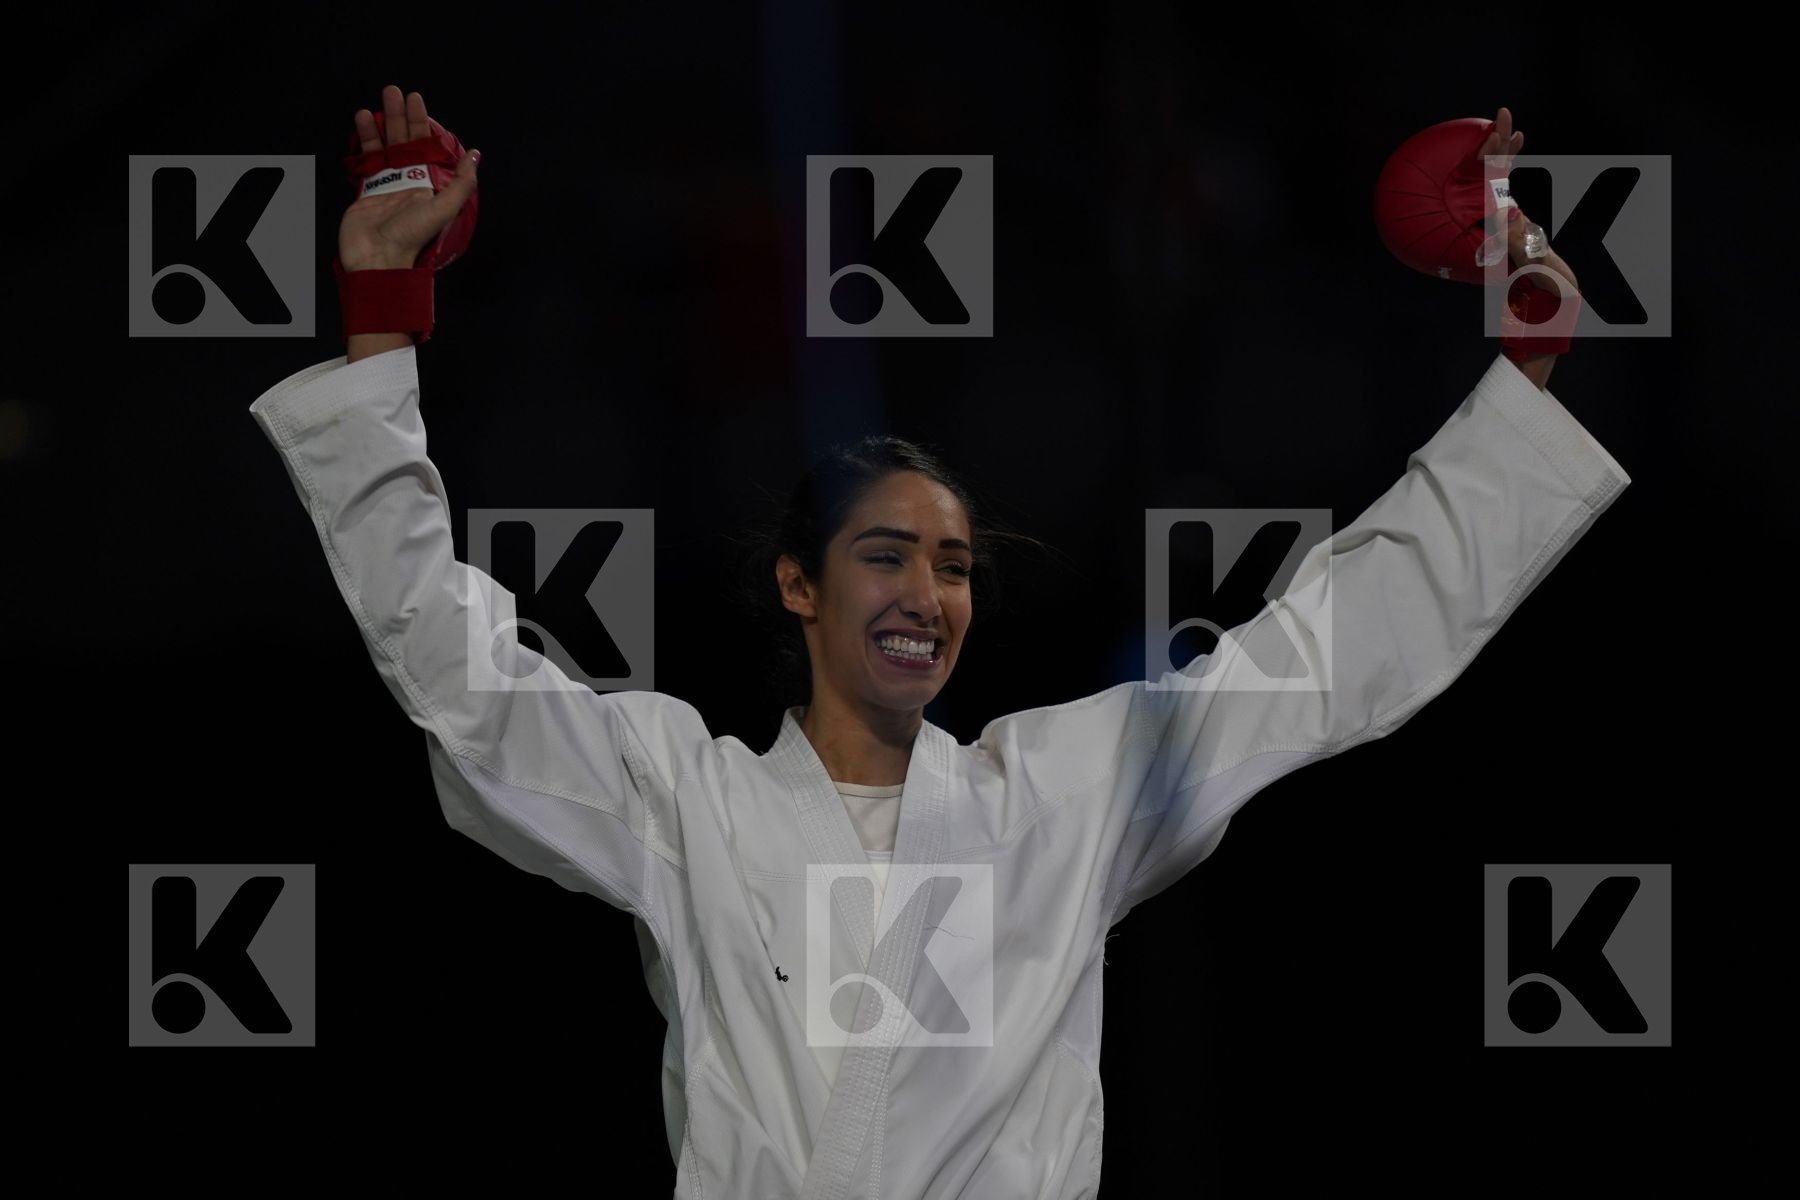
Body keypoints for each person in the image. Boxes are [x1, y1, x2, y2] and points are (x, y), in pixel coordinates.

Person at [249, 87, 1630, 1199]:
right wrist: (383, 326)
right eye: (888, 555)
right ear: (798, 586)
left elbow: (1333, 654)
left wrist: (1521, 378)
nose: (930, 591)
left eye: (958, 565)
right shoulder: (682, 800)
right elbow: (453, 664)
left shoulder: (1062, 796)